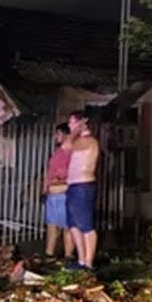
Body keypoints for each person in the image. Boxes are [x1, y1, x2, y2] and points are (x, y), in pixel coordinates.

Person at [62, 111, 99, 270]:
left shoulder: (89, 141)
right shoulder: (80, 141)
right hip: (73, 186)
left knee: (86, 226)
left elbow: (66, 145)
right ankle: (81, 260)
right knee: (73, 225)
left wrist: (77, 130)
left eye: (72, 122)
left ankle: (89, 262)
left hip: (83, 186)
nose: (70, 126)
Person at [43, 123, 75, 263]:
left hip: (63, 192)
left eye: (59, 134)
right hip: (54, 192)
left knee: (66, 226)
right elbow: (50, 172)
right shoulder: (58, 152)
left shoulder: (71, 153)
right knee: (52, 226)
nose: (56, 137)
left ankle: (68, 254)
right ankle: (49, 254)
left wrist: (60, 180)